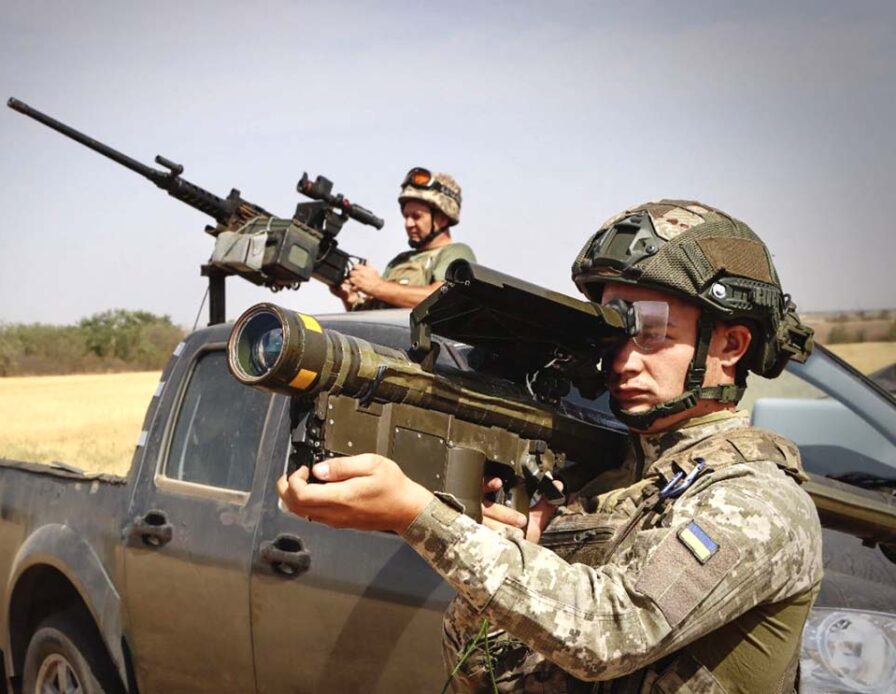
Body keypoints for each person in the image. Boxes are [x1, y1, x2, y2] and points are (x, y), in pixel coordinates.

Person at [280, 200, 821, 692]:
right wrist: (503, 553)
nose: (623, 360)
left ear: (731, 344)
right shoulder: (604, 482)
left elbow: (612, 633)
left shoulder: (758, 500)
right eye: (614, 331)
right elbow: (481, 671)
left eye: (652, 331)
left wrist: (419, 516)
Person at [332, 167, 476, 310]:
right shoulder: (399, 262)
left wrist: (376, 286)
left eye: (416, 216)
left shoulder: (456, 253)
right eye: (406, 216)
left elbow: (445, 298)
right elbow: (375, 315)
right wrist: (350, 298)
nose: (408, 224)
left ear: (442, 218)